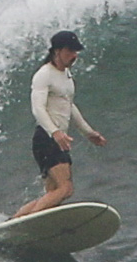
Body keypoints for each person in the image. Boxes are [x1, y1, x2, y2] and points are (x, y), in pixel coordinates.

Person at [11, 30, 108, 219]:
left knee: (53, 195)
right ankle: (28, 222)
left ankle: (16, 221)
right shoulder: (44, 74)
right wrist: (55, 132)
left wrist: (88, 133)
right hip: (47, 138)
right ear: (57, 51)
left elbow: (69, 106)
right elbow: (38, 108)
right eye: (70, 51)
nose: (74, 55)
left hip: (57, 139)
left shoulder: (66, 75)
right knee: (66, 188)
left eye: (76, 51)